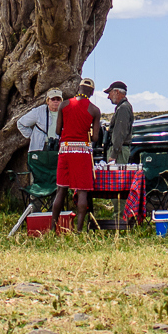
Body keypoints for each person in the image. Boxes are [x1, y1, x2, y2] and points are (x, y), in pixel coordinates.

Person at [46, 85, 98, 233]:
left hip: (66, 149)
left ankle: (52, 228)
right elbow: (95, 137)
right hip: (83, 151)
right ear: (92, 92)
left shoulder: (64, 104)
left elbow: (57, 130)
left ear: (78, 89)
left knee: (61, 190)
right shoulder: (94, 110)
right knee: (82, 191)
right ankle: (79, 230)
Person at [105, 81, 134, 164]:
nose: (108, 97)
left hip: (119, 152)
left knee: (117, 175)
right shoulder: (123, 107)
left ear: (117, 92)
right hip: (119, 150)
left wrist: (113, 154)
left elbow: (119, 133)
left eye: (110, 93)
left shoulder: (123, 108)